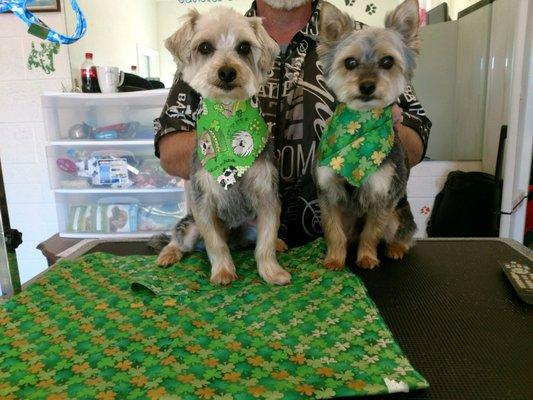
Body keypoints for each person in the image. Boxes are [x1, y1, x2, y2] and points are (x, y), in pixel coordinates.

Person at [154, 0, 432, 248]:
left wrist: (379, 125)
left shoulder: (365, 41)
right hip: (239, 248)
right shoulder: (208, 37)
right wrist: (232, 141)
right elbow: (170, 153)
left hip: (348, 248)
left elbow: (416, 144)